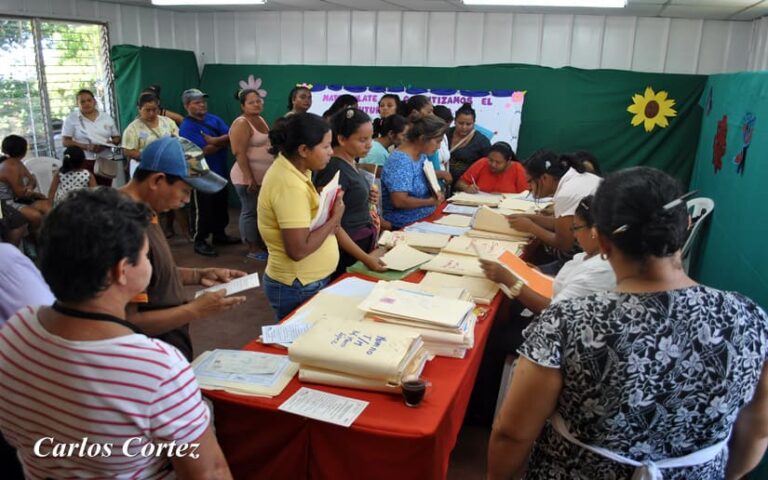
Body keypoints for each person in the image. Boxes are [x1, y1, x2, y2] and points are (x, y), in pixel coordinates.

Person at [488, 167, 768, 480]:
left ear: (603, 241)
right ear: (686, 226)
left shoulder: (568, 322)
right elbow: (757, 431)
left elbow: (512, 433)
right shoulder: (749, 317)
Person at [0, 188, 232, 479]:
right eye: (147, 256)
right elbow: (208, 472)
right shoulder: (157, 368)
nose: (150, 263)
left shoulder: (16, 331)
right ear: (122, 270)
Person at [121, 137, 247, 361]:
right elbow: (129, 322)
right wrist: (195, 310)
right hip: (150, 357)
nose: (187, 200)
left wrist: (197, 275)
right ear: (157, 180)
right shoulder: (124, 225)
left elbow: (153, 273)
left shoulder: (145, 212)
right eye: (186, 190)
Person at [258, 113, 344, 320]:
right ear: (303, 150)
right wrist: (334, 218)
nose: (331, 152)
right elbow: (298, 249)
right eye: (325, 147)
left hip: (304, 281)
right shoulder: (289, 185)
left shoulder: (295, 169)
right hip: (298, 285)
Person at [315, 108, 386, 277]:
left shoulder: (351, 162)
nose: (369, 144)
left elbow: (350, 199)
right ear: (341, 139)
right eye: (362, 140)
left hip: (359, 245)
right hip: (347, 251)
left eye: (370, 138)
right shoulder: (334, 169)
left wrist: (367, 198)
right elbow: (332, 224)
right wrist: (366, 259)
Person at [507, 149, 602, 272]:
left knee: (525, 272)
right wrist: (528, 218)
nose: (529, 187)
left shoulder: (567, 192)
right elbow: (562, 223)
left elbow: (564, 244)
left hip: (599, 255)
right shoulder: (573, 178)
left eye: (530, 182)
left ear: (544, 178)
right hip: (602, 248)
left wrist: (530, 227)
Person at [179, 88, 238, 257]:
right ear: (187, 106)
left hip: (220, 171)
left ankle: (220, 235)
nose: (202, 105)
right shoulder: (187, 126)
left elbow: (231, 136)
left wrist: (215, 141)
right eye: (197, 102)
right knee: (203, 209)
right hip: (200, 175)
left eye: (203, 101)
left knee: (220, 206)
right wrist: (222, 142)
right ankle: (200, 240)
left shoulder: (214, 119)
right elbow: (202, 151)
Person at [381, 112, 446, 230]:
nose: (439, 146)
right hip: (406, 223)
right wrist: (430, 202)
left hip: (425, 217)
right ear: (422, 139)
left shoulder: (421, 156)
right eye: (437, 141)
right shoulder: (400, 161)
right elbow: (399, 201)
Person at [230, 88, 272, 261]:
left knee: (258, 212)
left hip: (261, 177)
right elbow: (239, 152)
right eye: (251, 102)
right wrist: (249, 178)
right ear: (242, 106)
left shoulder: (259, 119)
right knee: (249, 211)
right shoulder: (241, 123)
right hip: (246, 178)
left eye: (258, 100)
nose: (257, 104)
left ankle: (258, 242)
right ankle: (252, 248)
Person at [61, 89, 121, 186]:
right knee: (87, 193)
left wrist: (109, 143)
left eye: (89, 100)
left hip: (105, 159)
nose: (86, 104)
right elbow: (65, 141)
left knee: (104, 191)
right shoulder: (72, 119)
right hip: (83, 160)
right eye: (82, 102)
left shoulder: (106, 117)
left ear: (94, 101)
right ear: (77, 104)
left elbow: (117, 137)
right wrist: (86, 146)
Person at [0, 135, 51, 233]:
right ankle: (31, 241)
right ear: (22, 151)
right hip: (5, 203)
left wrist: (30, 187)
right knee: (36, 216)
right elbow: (20, 193)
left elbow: (32, 179)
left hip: (18, 199)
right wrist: (34, 193)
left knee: (48, 207)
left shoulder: (18, 163)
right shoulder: (10, 166)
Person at [122, 92, 179, 178]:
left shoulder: (168, 122)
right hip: (144, 169)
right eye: (147, 110)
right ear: (139, 109)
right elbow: (127, 150)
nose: (151, 113)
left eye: (154, 109)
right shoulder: (132, 129)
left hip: (167, 167)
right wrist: (147, 157)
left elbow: (177, 140)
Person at [454, 141, 527, 194]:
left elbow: (525, 195)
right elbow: (459, 183)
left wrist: (504, 196)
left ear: (508, 161)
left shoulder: (518, 168)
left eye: (498, 162)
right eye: (490, 160)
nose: (493, 165)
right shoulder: (482, 163)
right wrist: (466, 188)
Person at [447, 103, 490, 187]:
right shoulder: (445, 134)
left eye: (468, 124)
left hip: (466, 187)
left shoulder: (482, 142)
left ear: (474, 123)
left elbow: (486, 166)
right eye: (461, 123)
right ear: (455, 121)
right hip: (442, 184)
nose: (464, 127)